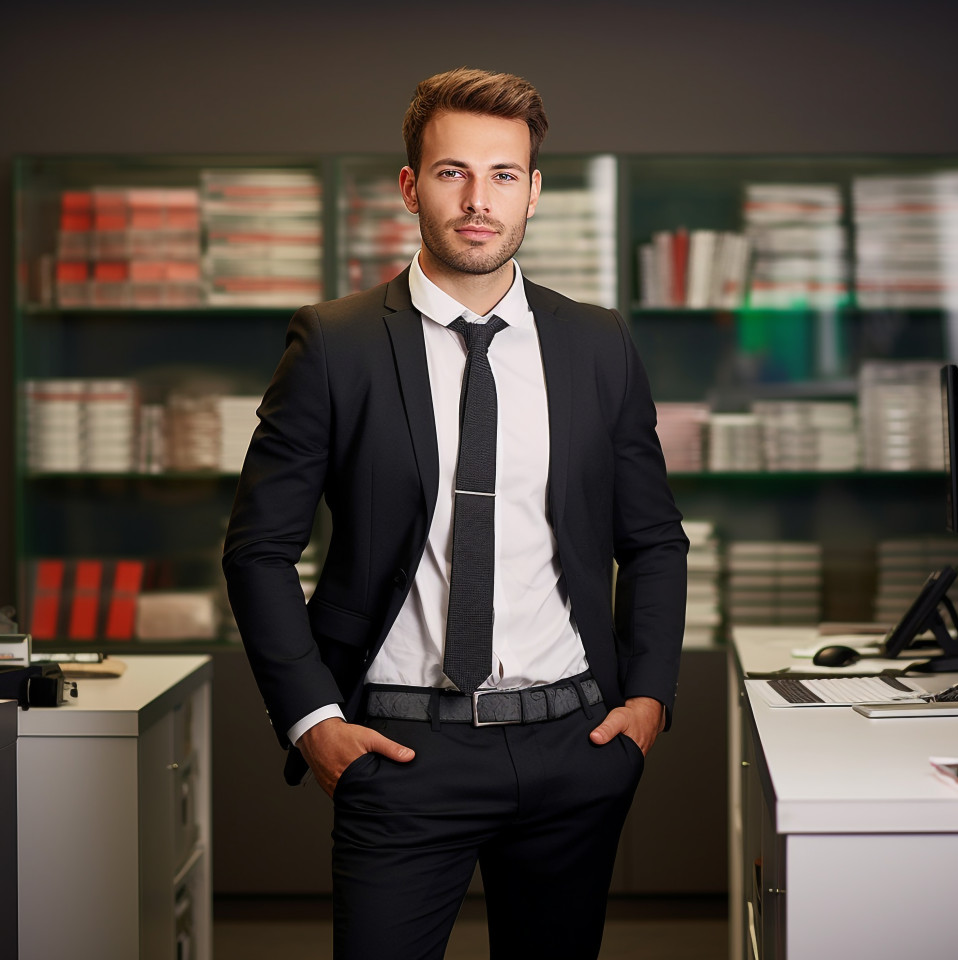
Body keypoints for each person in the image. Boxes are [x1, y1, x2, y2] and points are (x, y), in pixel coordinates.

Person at [222, 66, 688, 960]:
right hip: (399, 752)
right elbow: (258, 549)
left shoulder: (597, 342)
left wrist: (648, 701)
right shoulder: (336, 343)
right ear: (410, 186)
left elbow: (653, 537)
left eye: (504, 175)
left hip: (575, 743)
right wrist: (315, 722)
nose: (479, 200)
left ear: (534, 190)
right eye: (452, 173)